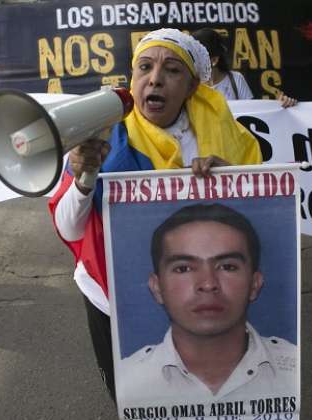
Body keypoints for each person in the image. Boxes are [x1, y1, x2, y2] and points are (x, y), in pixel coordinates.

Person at [48, 28, 263, 401]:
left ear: (193, 86)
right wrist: (84, 175)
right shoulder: (100, 133)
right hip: (110, 297)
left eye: (172, 70)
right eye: (144, 67)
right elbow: (69, 227)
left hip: (195, 296)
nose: (155, 79)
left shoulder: (225, 135)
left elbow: (262, 219)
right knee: (136, 398)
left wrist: (233, 182)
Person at [119, 203, 298, 403]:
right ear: (157, 287)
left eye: (227, 266)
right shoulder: (129, 379)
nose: (208, 284)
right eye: (184, 269)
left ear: (255, 284)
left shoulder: (294, 367)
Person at [192, 28, 296, 107]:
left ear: (214, 60)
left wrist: (281, 106)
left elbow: (251, 113)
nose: (192, 62)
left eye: (197, 57)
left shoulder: (236, 79)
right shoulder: (188, 85)